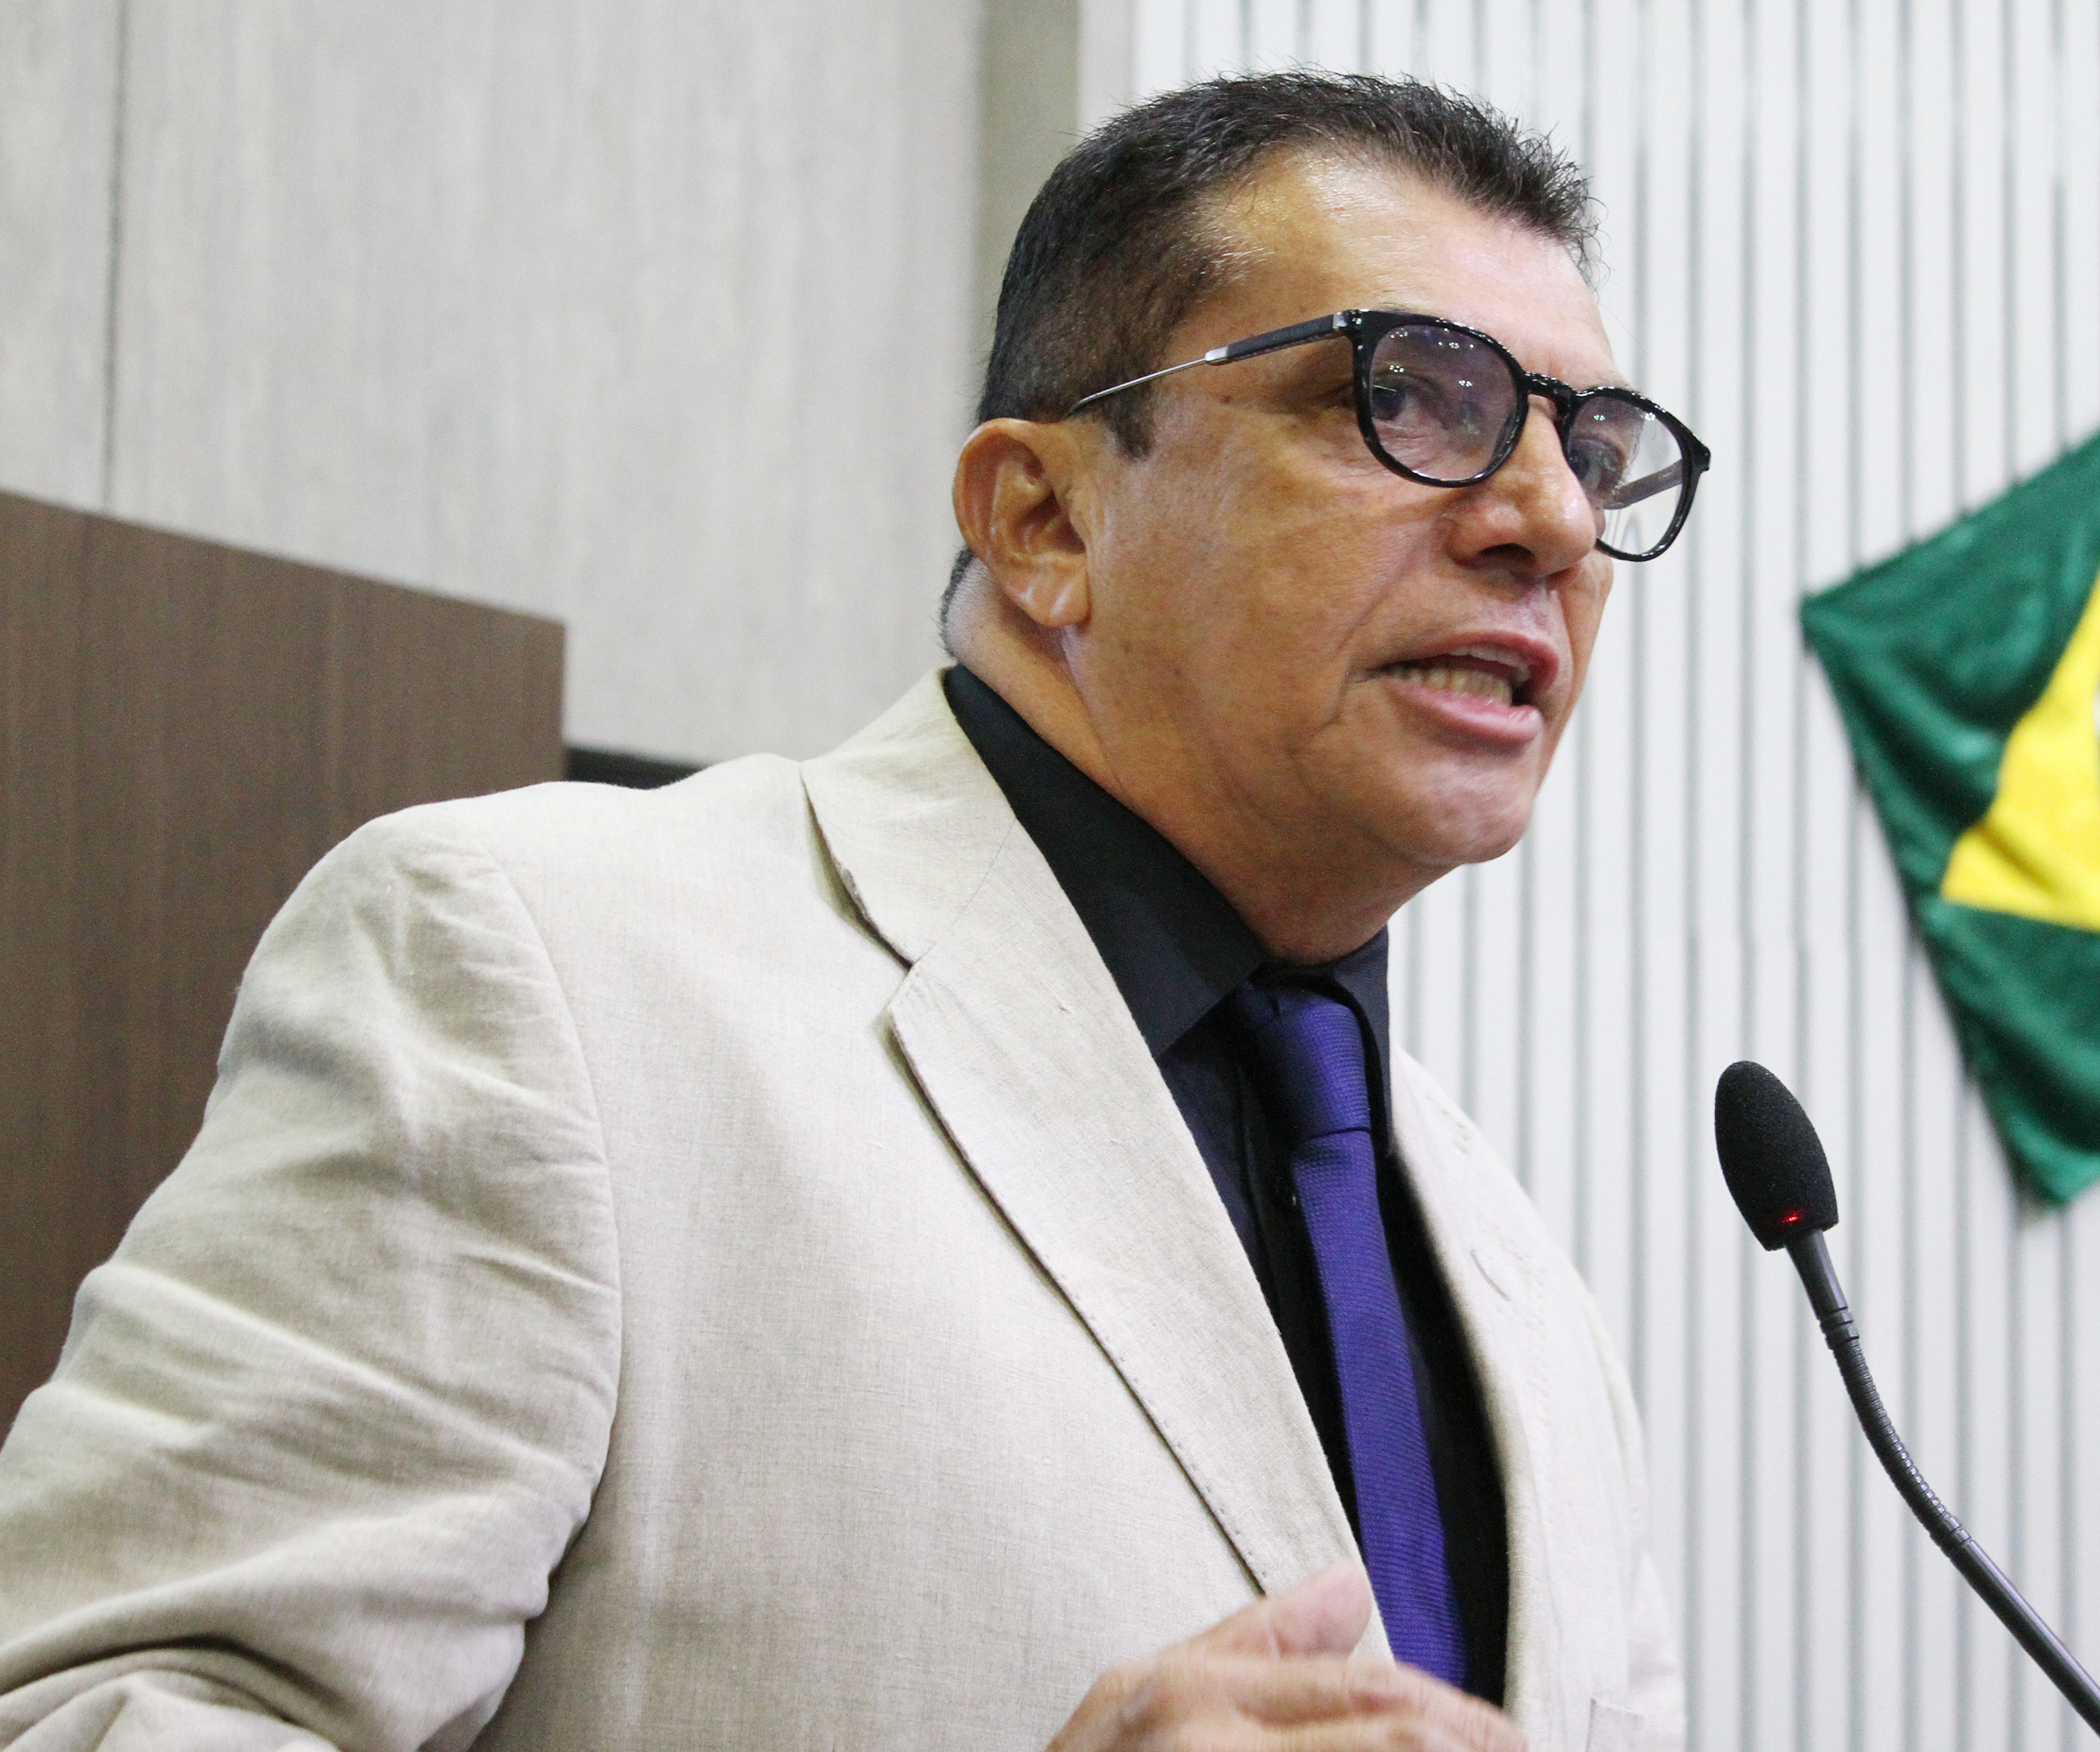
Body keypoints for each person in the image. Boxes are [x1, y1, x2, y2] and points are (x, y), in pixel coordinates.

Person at [0, 72, 1706, 1752]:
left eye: (1595, 450)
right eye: (1412, 397)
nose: (1555, 522)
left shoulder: (1520, 1278)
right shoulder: (542, 978)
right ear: (1045, 520)